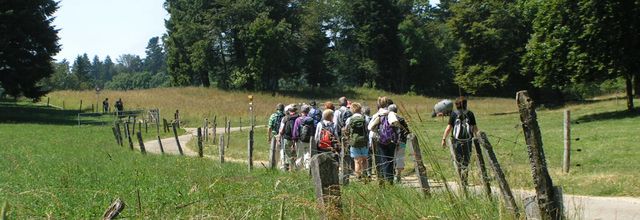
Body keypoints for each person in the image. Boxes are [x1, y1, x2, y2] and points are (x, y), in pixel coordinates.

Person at [441, 96, 478, 185]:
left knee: (458, 160)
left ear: (456, 105)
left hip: (456, 141)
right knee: (466, 160)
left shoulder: (453, 114)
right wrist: (478, 138)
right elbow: (474, 128)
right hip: (468, 141)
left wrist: (443, 138)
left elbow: (449, 127)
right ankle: (464, 180)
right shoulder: (470, 114)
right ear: (465, 104)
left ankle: (461, 179)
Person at [368, 96, 400, 184]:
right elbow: (397, 125)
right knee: (391, 159)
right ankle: (390, 180)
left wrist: (378, 132)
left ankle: (385, 179)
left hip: (381, 140)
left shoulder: (378, 114)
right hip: (392, 140)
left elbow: (370, 127)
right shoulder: (391, 113)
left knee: (384, 160)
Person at [343, 102, 370, 179]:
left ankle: (358, 176)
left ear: (352, 110)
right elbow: (368, 130)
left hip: (354, 142)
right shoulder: (365, 118)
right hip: (364, 142)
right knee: (364, 160)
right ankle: (365, 175)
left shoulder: (349, 119)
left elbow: (346, 130)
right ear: (360, 109)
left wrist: (348, 138)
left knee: (357, 161)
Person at [388, 104, 410, 183]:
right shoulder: (401, 119)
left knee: (391, 157)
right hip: (402, 142)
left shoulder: (388, 119)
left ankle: (391, 175)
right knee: (400, 158)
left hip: (392, 142)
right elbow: (407, 131)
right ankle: (398, 176)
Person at [292, 104, 315, 169]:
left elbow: (295, 131)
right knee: (307, 155)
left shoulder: (298, 120)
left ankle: (298, 170)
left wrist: (294, 139)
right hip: (308, 140)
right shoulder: (311, 120)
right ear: (308, 111)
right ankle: (307, 169)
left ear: (301, 111)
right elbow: (313, 130)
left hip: (300, 141)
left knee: (299, 156)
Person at [278, 104, 299, 171]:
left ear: (289, 111)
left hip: (287, 138)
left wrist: (279, 137)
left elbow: (281, 130)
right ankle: (296, 167)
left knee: (287, 153)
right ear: (295, 110)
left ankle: (290, 167)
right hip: (297, 139)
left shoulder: (285, 118)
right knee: (296, 153)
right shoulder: (299, 117)